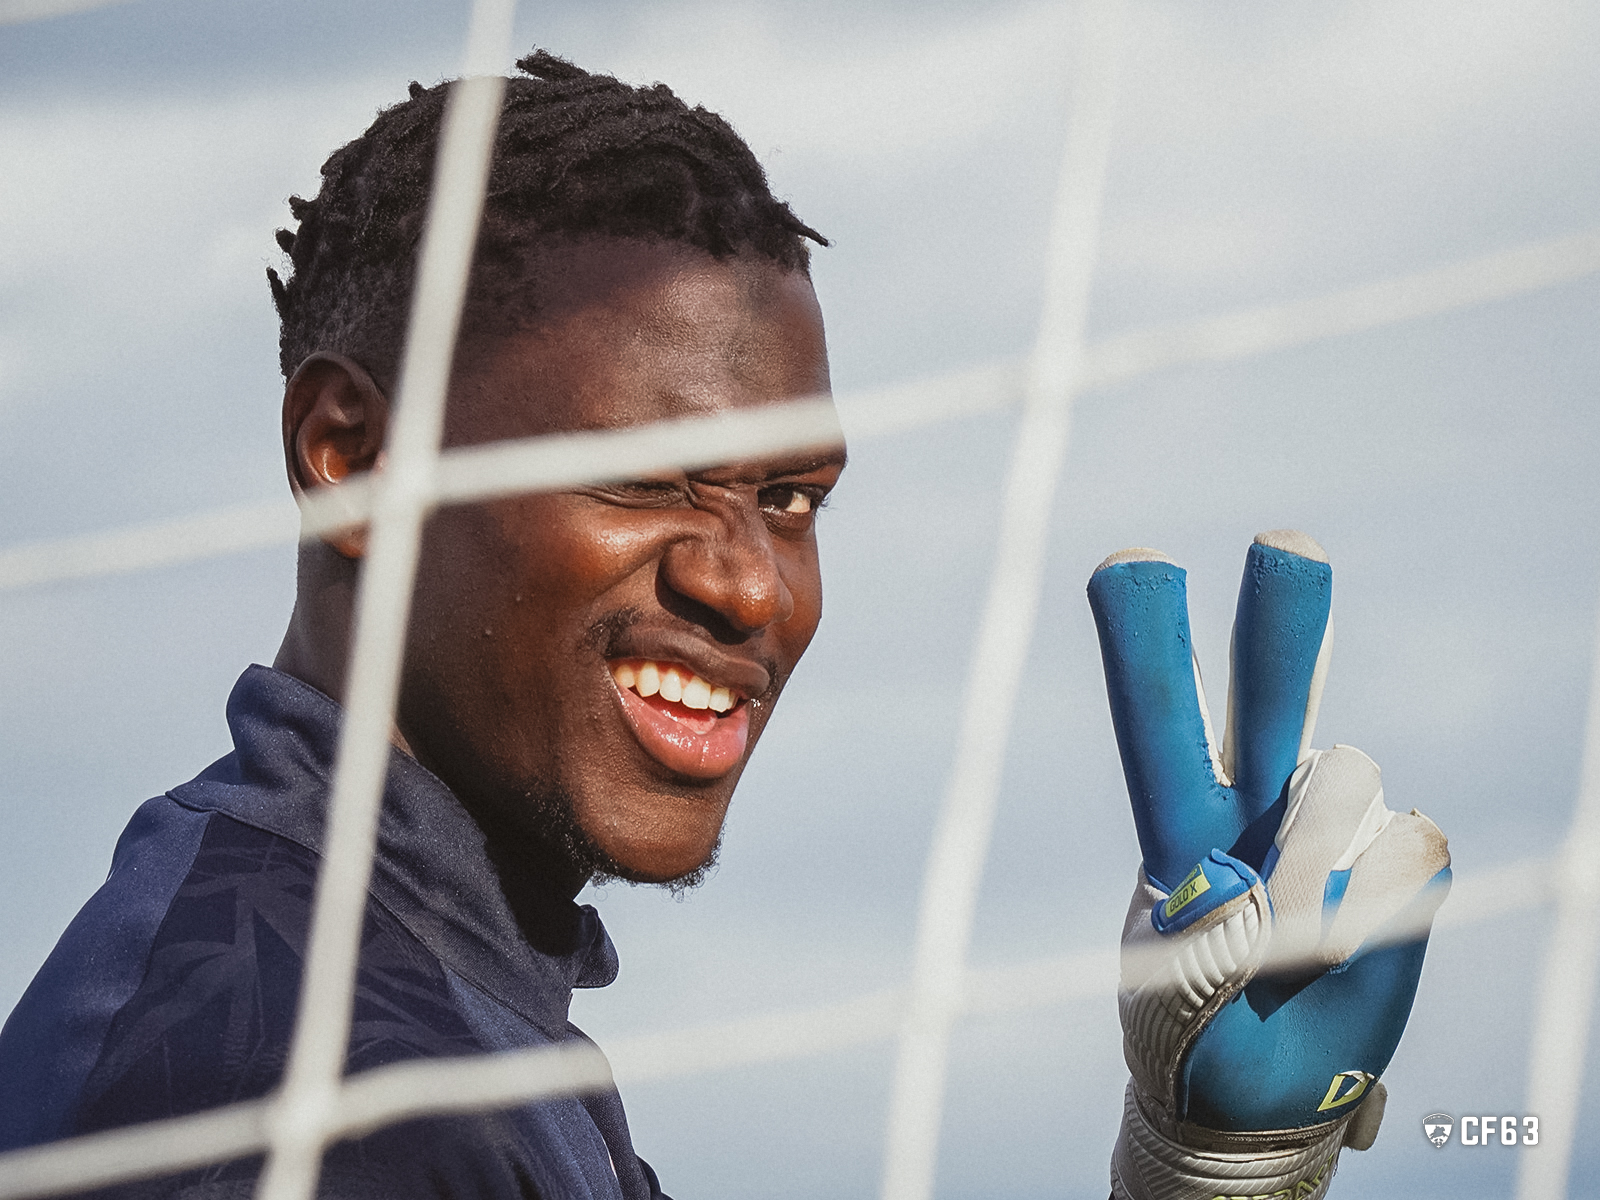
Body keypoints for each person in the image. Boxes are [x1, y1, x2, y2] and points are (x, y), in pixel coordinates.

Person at [0, 48, 1449, 1200]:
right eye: (644, 475)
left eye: (791, 498)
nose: (750, 587)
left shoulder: (444, 998)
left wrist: (1210, 1172)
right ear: (352, 457)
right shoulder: (291, 1094)